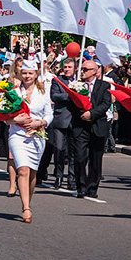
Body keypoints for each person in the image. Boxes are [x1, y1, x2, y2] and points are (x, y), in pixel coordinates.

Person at [7, 62, 53, 223]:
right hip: (18, 134)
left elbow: (49, 114)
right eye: (24, 73)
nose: (27, 76)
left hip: (37, 135)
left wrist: (40, 123)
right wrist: (15, 119)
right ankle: (26, 207)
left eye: (30, 73)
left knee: (33, 173)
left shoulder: (43, 92)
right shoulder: (14, 91)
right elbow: (5, 117)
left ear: (36, 74)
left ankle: (28, 200)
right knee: (23, 170)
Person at [65, 59, 112, 199]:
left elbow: (106, 104)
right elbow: (70, 103)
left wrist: (91, 113)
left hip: (98, 125)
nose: (83, 72)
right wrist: (81, 112)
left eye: (86, 69)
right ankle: (81, 186)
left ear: (95, 71)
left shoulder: (104, 85)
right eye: (82, 69)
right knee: (80, 157)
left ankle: (92, 187)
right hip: (81, 126)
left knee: (96, 159)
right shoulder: (76, 85)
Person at [47, 58, 78, 190]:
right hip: (61, 120)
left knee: (73, 152)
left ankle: (71, 178)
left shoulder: (79, 81)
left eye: (69, 67)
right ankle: (58, 175)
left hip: (76, 120)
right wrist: (71, 95)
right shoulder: (58, 80)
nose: (66, 69)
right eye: (65, 67)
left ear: (75, 68)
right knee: (59, 149)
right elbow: (54, 96)